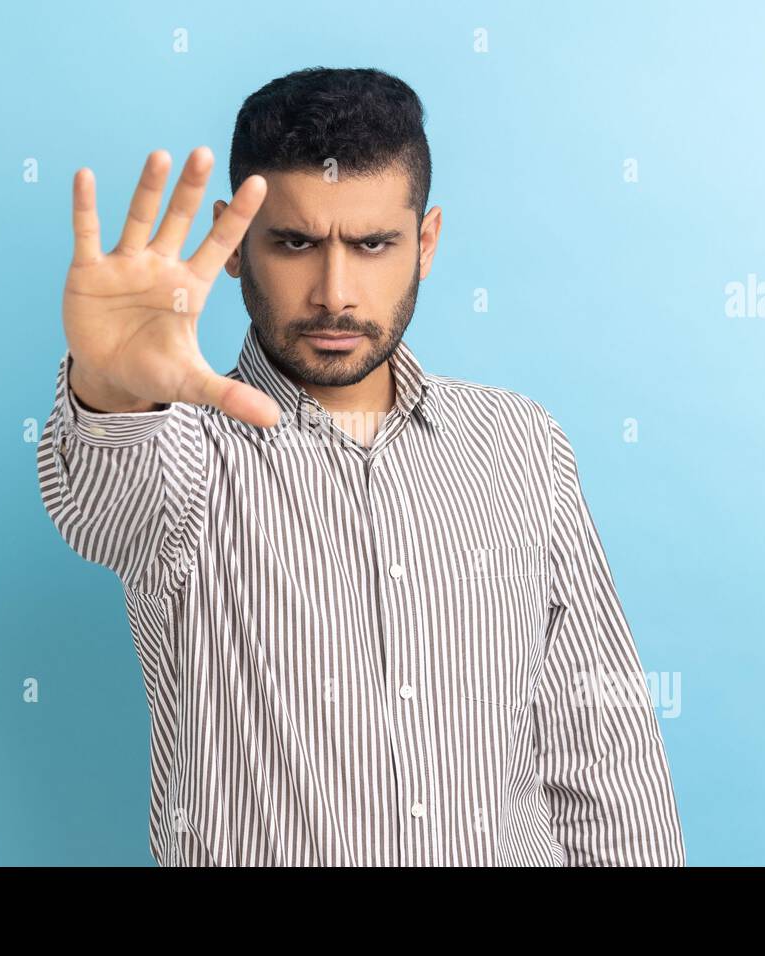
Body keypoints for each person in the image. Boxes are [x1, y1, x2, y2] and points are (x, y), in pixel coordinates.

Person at [37, 66, 685, 866]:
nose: (335, 294)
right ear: (237, 245)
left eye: (373, 243)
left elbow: (601, 739)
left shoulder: (522, 443)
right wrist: (110, 388)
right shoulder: (187, 454)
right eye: (296, 242)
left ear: (428, 241)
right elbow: (104, 504)